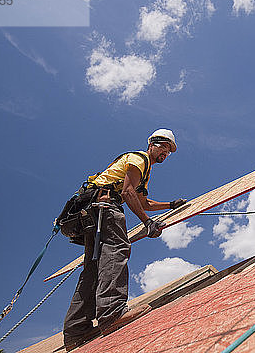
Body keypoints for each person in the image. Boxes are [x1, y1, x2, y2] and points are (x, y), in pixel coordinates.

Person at [62, 129, 186, 351]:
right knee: (117, 249)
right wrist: (148, 223)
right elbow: (128, 193)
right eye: (164, 147)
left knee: (92, 267)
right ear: (152, 144)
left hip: (92, 211)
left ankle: (75, 331)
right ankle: (111, 313)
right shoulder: (139, 159)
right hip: (106, 208)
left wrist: (170, 205)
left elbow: (143, 202)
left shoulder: (142, 170)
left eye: (169, 150)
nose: (166, 153)